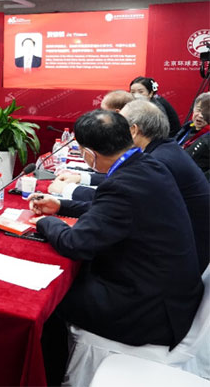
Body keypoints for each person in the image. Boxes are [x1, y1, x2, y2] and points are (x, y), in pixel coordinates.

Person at [29, 110, 203, 355]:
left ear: (89, 154)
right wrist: (61, 206)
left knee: (48, 299)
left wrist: (45, 222)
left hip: (148, 312)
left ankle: (51, 369)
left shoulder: (125, 183)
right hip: (169, 294)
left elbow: (75, 243)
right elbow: (113, 211)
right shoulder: (148, 164)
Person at [54, 101, 209, 270]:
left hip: (174, 263)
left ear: (133, 130)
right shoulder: (159, 153)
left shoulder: (159, 161)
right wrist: (63, 203)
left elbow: (78, 241)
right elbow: (116, 202)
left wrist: (50, 214)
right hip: (175, 256)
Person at [178, 93, 210, 175]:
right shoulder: (188, 126)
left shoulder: (207, 139)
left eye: (207, 112)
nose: (201, 115)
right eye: (199, 110)